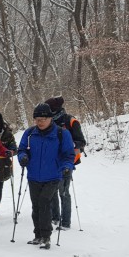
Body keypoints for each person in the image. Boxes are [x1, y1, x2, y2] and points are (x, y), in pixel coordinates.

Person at [17, 103, 74, 249]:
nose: (40, 121)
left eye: (43, 118)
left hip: (53, 176)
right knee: (36, 206)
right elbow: (22, 149)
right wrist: (23, 157)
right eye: (37, 119)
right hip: (34, 176)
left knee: (44, 203)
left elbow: (68, 155)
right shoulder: (30, 133)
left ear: (50, 118)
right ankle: (38, 235)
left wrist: (67, 167)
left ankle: (46, 236)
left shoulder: (61, 134)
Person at [46, 96, 86, 230]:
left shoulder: (71, 121)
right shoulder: (48, 122)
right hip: (51, 162)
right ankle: (55, 217)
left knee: (63, 191)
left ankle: (66, 222)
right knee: (52, 190)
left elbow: (81, 141)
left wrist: (68, 147)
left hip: (67, 162)